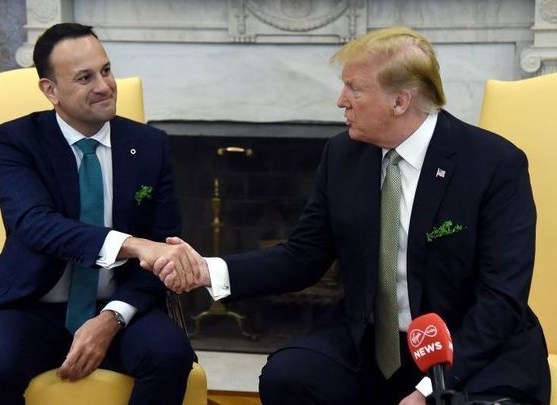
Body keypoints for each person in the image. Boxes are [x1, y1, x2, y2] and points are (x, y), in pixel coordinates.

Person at [153, 27, 551, 404]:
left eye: (354, 88)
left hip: (472, 348)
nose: (341, 100)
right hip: (375, 344)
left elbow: (500, 300)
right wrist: (206, 271)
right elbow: (302, 257)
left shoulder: (494, 164)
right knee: (288, 376)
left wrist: (429, 390)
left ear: (400, 101)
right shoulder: (343, 155)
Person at [0, 23, 203, 404]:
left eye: (105, 70)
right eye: (85, 77)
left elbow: (163, 244)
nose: (104, 85)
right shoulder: (15, 141)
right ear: (50, 90)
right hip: (30, 304)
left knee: (170, 355)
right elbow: (36, 224)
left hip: (117, 304)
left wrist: (110, 319)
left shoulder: (150, 145)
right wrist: (133, 245)